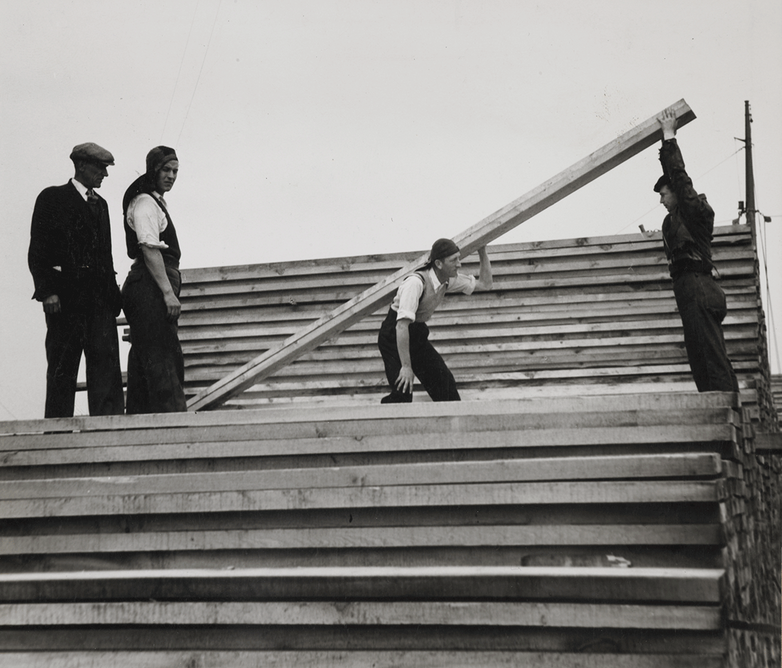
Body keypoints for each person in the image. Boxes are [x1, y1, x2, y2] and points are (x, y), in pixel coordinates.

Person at [28, 142, 125, 418]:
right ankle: (57, 440)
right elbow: (38, 252)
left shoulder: (102, 206)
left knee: (106, 372)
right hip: (65, 304)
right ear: (81, 165)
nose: (104, 174)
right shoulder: (52, 198)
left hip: (99, 306)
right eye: (100, 167)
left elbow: (106, 256)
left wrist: (113, 300)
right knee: (62, 371)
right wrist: (47, 292)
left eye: (106, 169)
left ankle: (108, 434)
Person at [654, 108, 738, 393]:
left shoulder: (695, 212)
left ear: (677, 193)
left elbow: (678, 176)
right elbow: (672, 178)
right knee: (702, 359)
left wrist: (669, 136)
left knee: (710, 360)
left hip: (700, 288)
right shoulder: (675, 218)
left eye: (665, 193)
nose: (661, 199)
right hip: (690, 291)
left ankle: (724, 422)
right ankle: (720, 419)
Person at [377, 238, 493, 403]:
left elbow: (485, 284)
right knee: (402, 392)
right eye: (454, 260)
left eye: (458, 258)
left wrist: (482, 252)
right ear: (438, 264)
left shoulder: (448, 279)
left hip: (416, 335)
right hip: (394, 337)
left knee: (446, 387)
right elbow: (401, 326)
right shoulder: (416, 283)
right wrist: (406, 366)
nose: (459, 264)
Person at [121, 146, 187, 413]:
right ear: (153, 170)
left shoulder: (156, 201)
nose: (171, 176)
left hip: (151, 284)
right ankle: (175, 425)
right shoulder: (146, 202)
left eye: (175, 171)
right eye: (166, 170)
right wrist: (167, 293)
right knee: (164, 357)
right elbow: (148, 247)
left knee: (144, 359)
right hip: (149, 286)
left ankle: (138, 425)